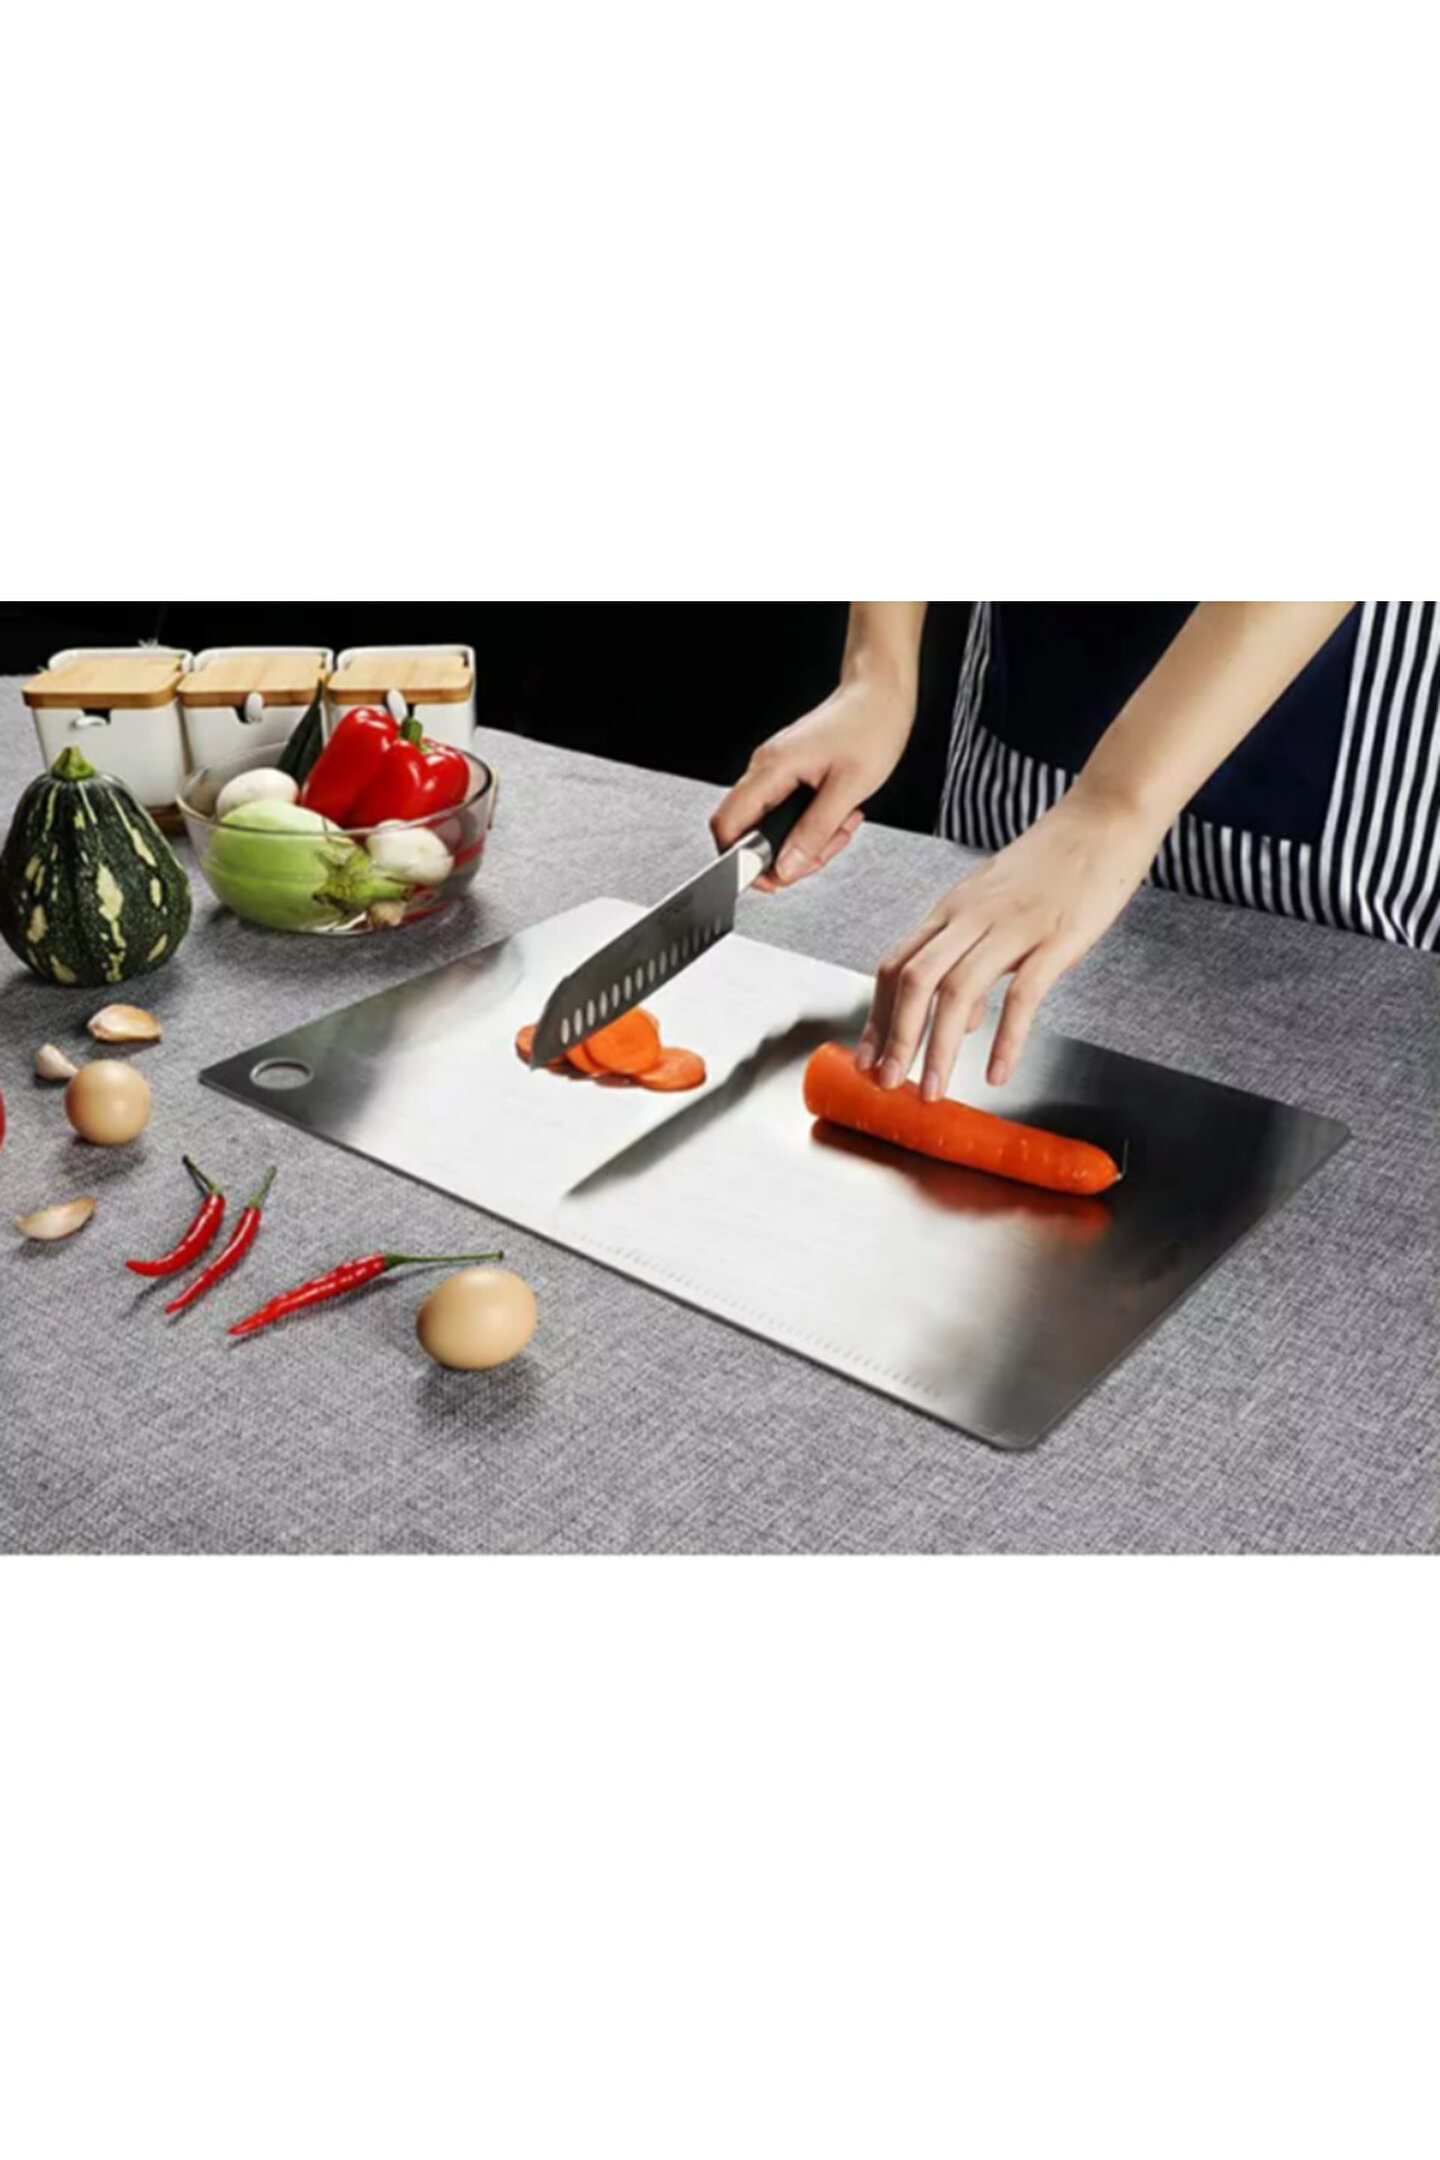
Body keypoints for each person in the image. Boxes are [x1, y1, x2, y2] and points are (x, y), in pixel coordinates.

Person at [711, 602, 1439, 1101]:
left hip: (1335, 754)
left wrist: (1114, 805)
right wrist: (878, 673)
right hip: (1041, 703)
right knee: (981, 1050)